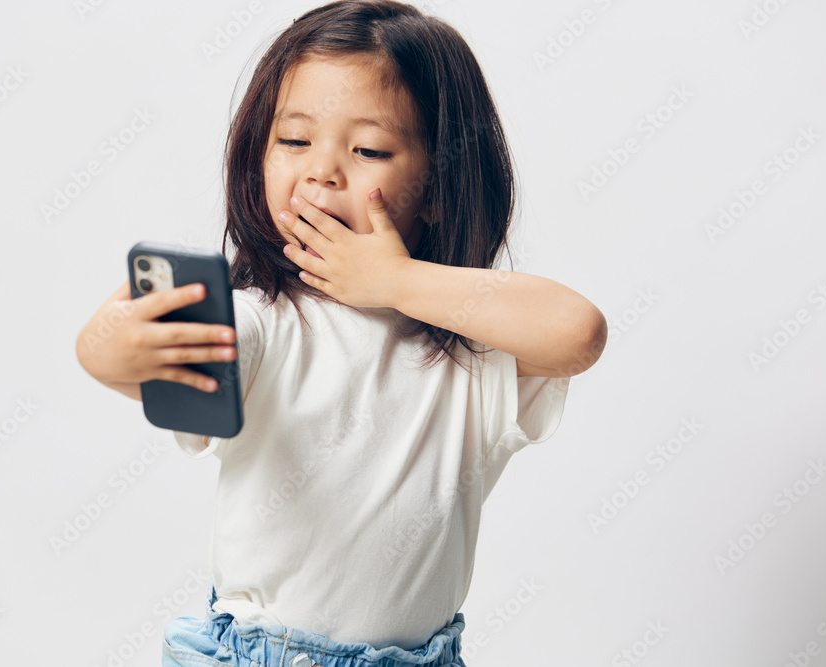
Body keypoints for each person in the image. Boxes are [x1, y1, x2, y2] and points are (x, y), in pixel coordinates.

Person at [76, 1, 607, 665]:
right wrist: (104, 345)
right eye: (294, 141)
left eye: (369, 150)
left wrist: (394, 280)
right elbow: (124, 352)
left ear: (440, 185)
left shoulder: (473, 358)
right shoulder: (263, 322)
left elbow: (578, 329)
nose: (322, 170)